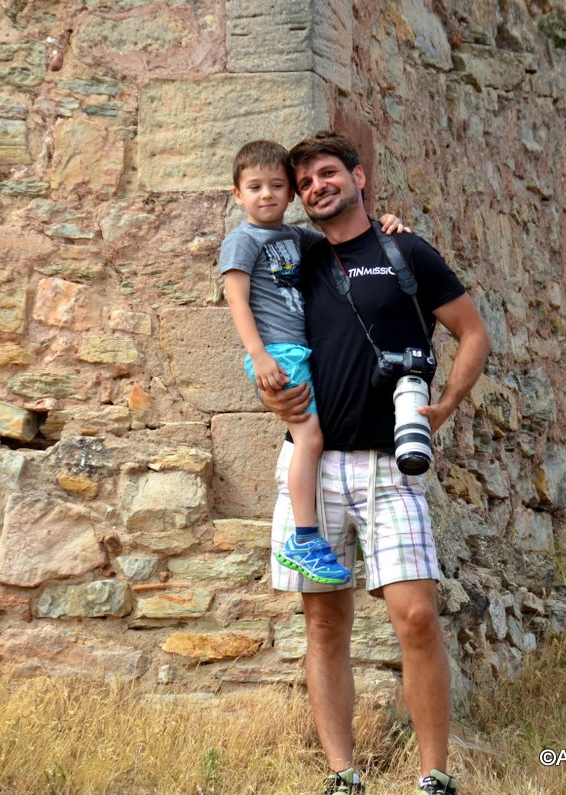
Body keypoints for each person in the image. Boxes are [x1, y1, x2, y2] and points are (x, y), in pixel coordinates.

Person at [261, 131, 491, 795]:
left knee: (416, 616)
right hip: (311, 466)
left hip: (392, 466)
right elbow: (260, 326)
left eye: (327, 173)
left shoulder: (405, 250)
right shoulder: (295, 258)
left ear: (359, 177)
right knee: (323, 622)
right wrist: (269, 389)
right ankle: (343, 775)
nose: (316, 187)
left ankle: (435, 776)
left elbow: (473, 332)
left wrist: (444, 406)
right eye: (305, 182)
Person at [219, 140, 408, 586]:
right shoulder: (242, 240)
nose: (266, 194)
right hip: (278, 353)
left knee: (314, 437)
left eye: (276, 186)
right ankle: (304, 538)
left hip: (299, 351)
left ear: (290, 195)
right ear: (237, 195)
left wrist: (386, 224)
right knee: (309, 438)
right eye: (255, 187)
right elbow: (236, 299)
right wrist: (259, 355)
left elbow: (346, 239)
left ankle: (329, 532)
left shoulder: (295, 238)